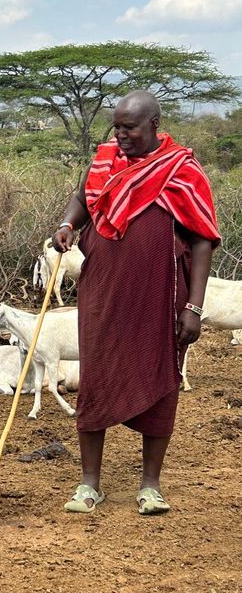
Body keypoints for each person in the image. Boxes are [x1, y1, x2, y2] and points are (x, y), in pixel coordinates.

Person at [52, 90, 219, 516]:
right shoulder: (106, 159)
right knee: (96, 378)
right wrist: (68, 225)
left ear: (154, 125)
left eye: (130, 127)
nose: (121, 135)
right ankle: (90, 484)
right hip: (102, 295)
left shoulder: (181, 170)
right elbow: (82, 198)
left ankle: (150, 486)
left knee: (161, 379)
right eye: (117, 126)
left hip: (160, 298)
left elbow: (202, 242)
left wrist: (194, 307)